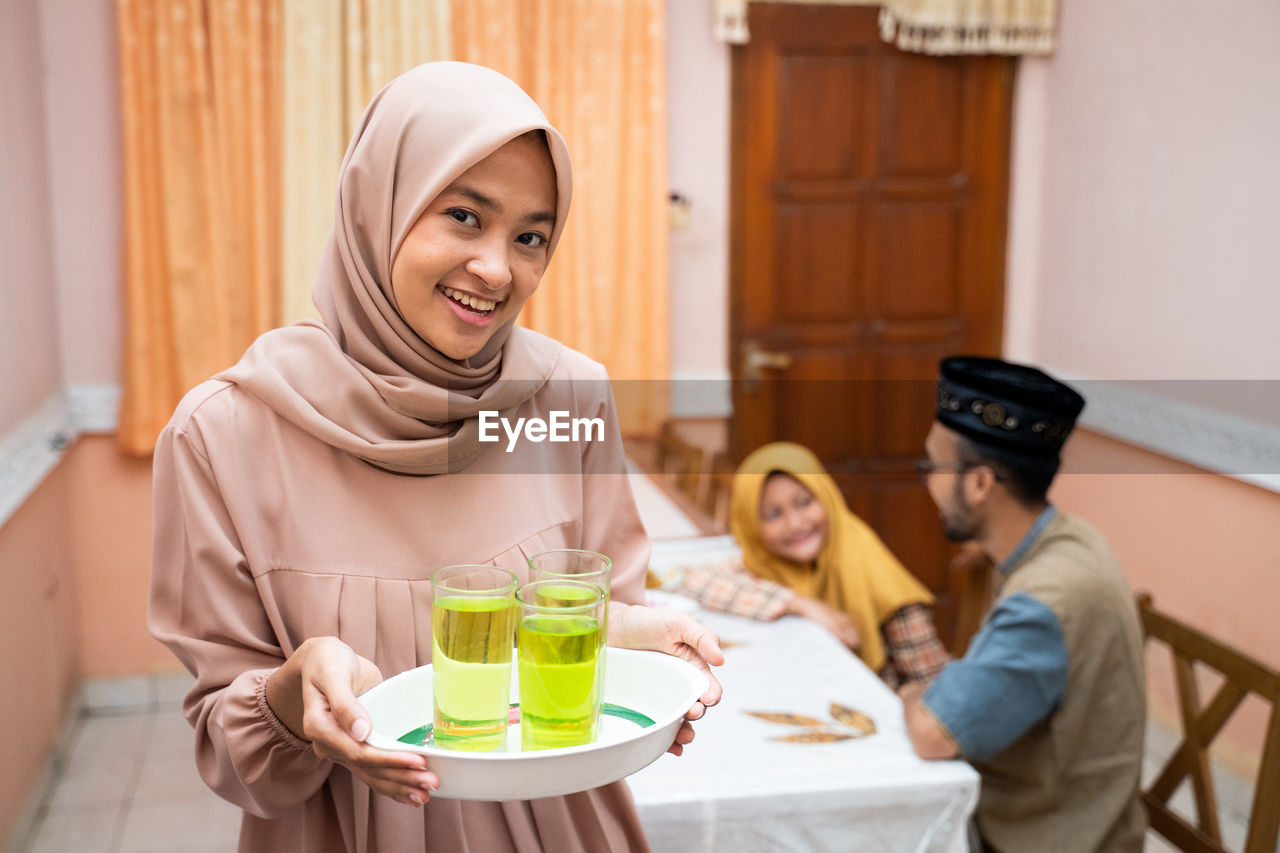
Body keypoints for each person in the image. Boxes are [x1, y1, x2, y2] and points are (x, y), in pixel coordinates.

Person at [148, 62, 723, 853]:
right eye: (462, 215)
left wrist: (628, 651)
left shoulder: (572, 398)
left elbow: (598, 650)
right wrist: (292, 693)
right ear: (376, 205)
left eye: (530, 236)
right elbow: (237, 757)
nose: (496, 268)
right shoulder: (223, 435)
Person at [901, 356, 1147, 852]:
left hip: (1051, 835)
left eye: (933, 465)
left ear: (979, 484)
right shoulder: (1066, 537)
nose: (927, 481)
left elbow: (934, 736)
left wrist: (910, 690)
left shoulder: (1046, 597)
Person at [678, 442, 949, 687]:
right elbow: (694, 581)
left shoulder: (866, 561)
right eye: (773, 514)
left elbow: (933, 680)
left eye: (804, 502)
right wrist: (800, 603)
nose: (795, 524)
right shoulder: (766, 560)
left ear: (826, 496)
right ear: (750, 526)